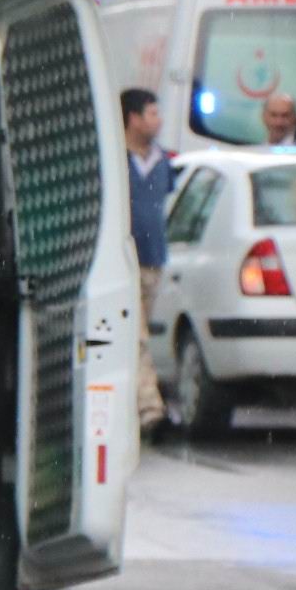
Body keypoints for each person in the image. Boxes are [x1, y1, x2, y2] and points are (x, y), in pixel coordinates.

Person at [122, 89, 175, 426]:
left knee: (138, 334)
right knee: (136, 333)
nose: (158, 121)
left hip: (153, 260)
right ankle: (148, 404)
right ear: (133, 118)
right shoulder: (116, 160)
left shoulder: (163, 163)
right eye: (152, 114)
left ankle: (134, 400)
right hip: (124, 262)